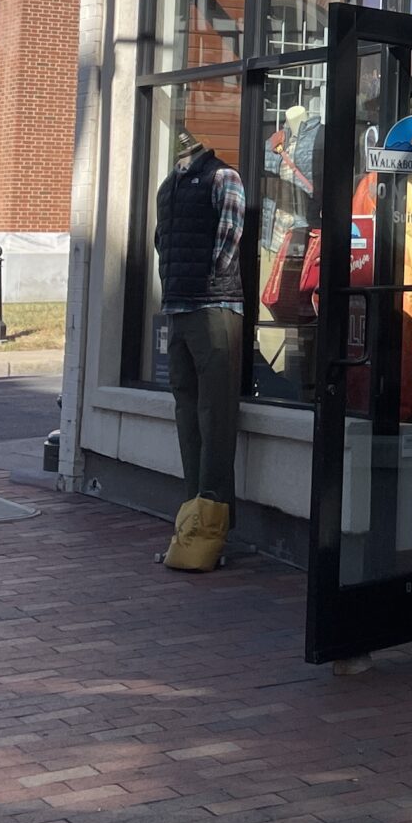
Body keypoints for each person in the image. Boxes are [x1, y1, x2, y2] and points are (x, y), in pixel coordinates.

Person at [153, 127, 248, 572]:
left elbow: (229, 240)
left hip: (213, 307)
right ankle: (191, 521)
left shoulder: (223, 177)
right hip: (179, 307)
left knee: (215, 416)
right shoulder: (167, 186)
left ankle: (211, 526)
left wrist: (206, 278)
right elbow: (161, 243)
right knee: (188, 414)